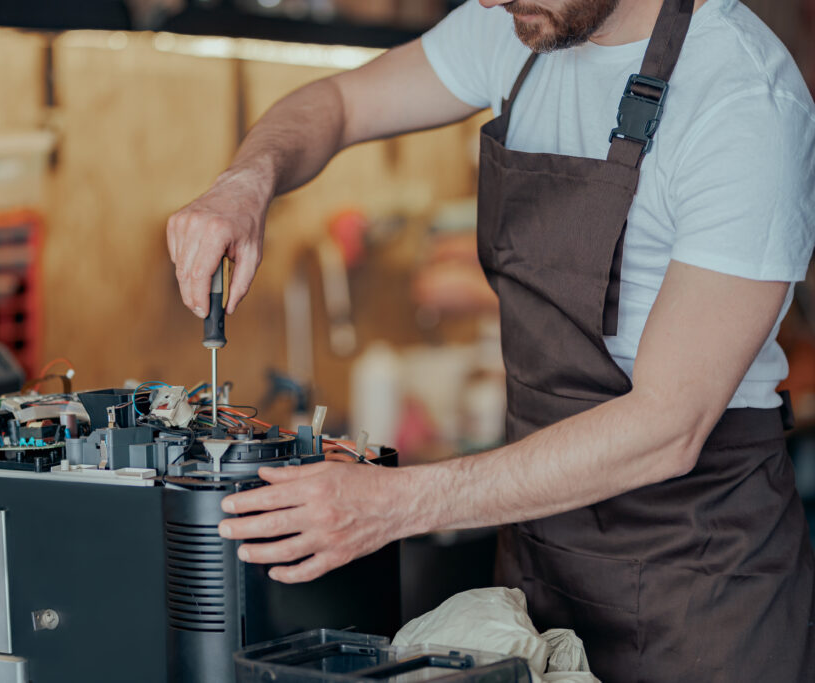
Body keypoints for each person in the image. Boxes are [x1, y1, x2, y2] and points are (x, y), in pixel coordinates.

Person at [165, 0, 815, 680]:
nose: (486, 0)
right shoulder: (520, 27)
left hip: (702, 593)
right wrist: (248, 178)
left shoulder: (743, 100)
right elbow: (340, 103)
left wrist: (394, 503)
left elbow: (667, 425)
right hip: (539, 575)